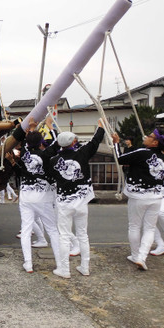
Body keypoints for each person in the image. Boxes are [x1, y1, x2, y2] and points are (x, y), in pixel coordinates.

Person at [112, 129, 164, 271]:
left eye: (150, 136)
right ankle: (142, 257)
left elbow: (120, 159)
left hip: (138, 196)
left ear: (155, 142)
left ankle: (136, 255)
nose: (146, 137)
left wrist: (117, 143)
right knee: (149, 228)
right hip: (156, 196)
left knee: (135, 226)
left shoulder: (142, 152)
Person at [49, 119, 105, 278]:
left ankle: (64, 270)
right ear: (72, 142)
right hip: (82, 201)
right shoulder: (81, 153)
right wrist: (100, 127)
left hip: (65, 202)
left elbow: (52, 177)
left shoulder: (53, 161)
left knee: (64, 236)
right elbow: (95, 142)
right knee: (82, 234)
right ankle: (85, 267)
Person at [13, 117, 60, 273]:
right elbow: (57, 142)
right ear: (41, 142)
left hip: (26, 196)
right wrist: (50, 127)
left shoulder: (24, 153)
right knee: (53, 230)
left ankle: (28, 263)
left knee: (25, 230)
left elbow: (27, 143)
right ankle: (60, 264)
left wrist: (31, 129)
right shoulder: (46, 154)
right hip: (44, 197)